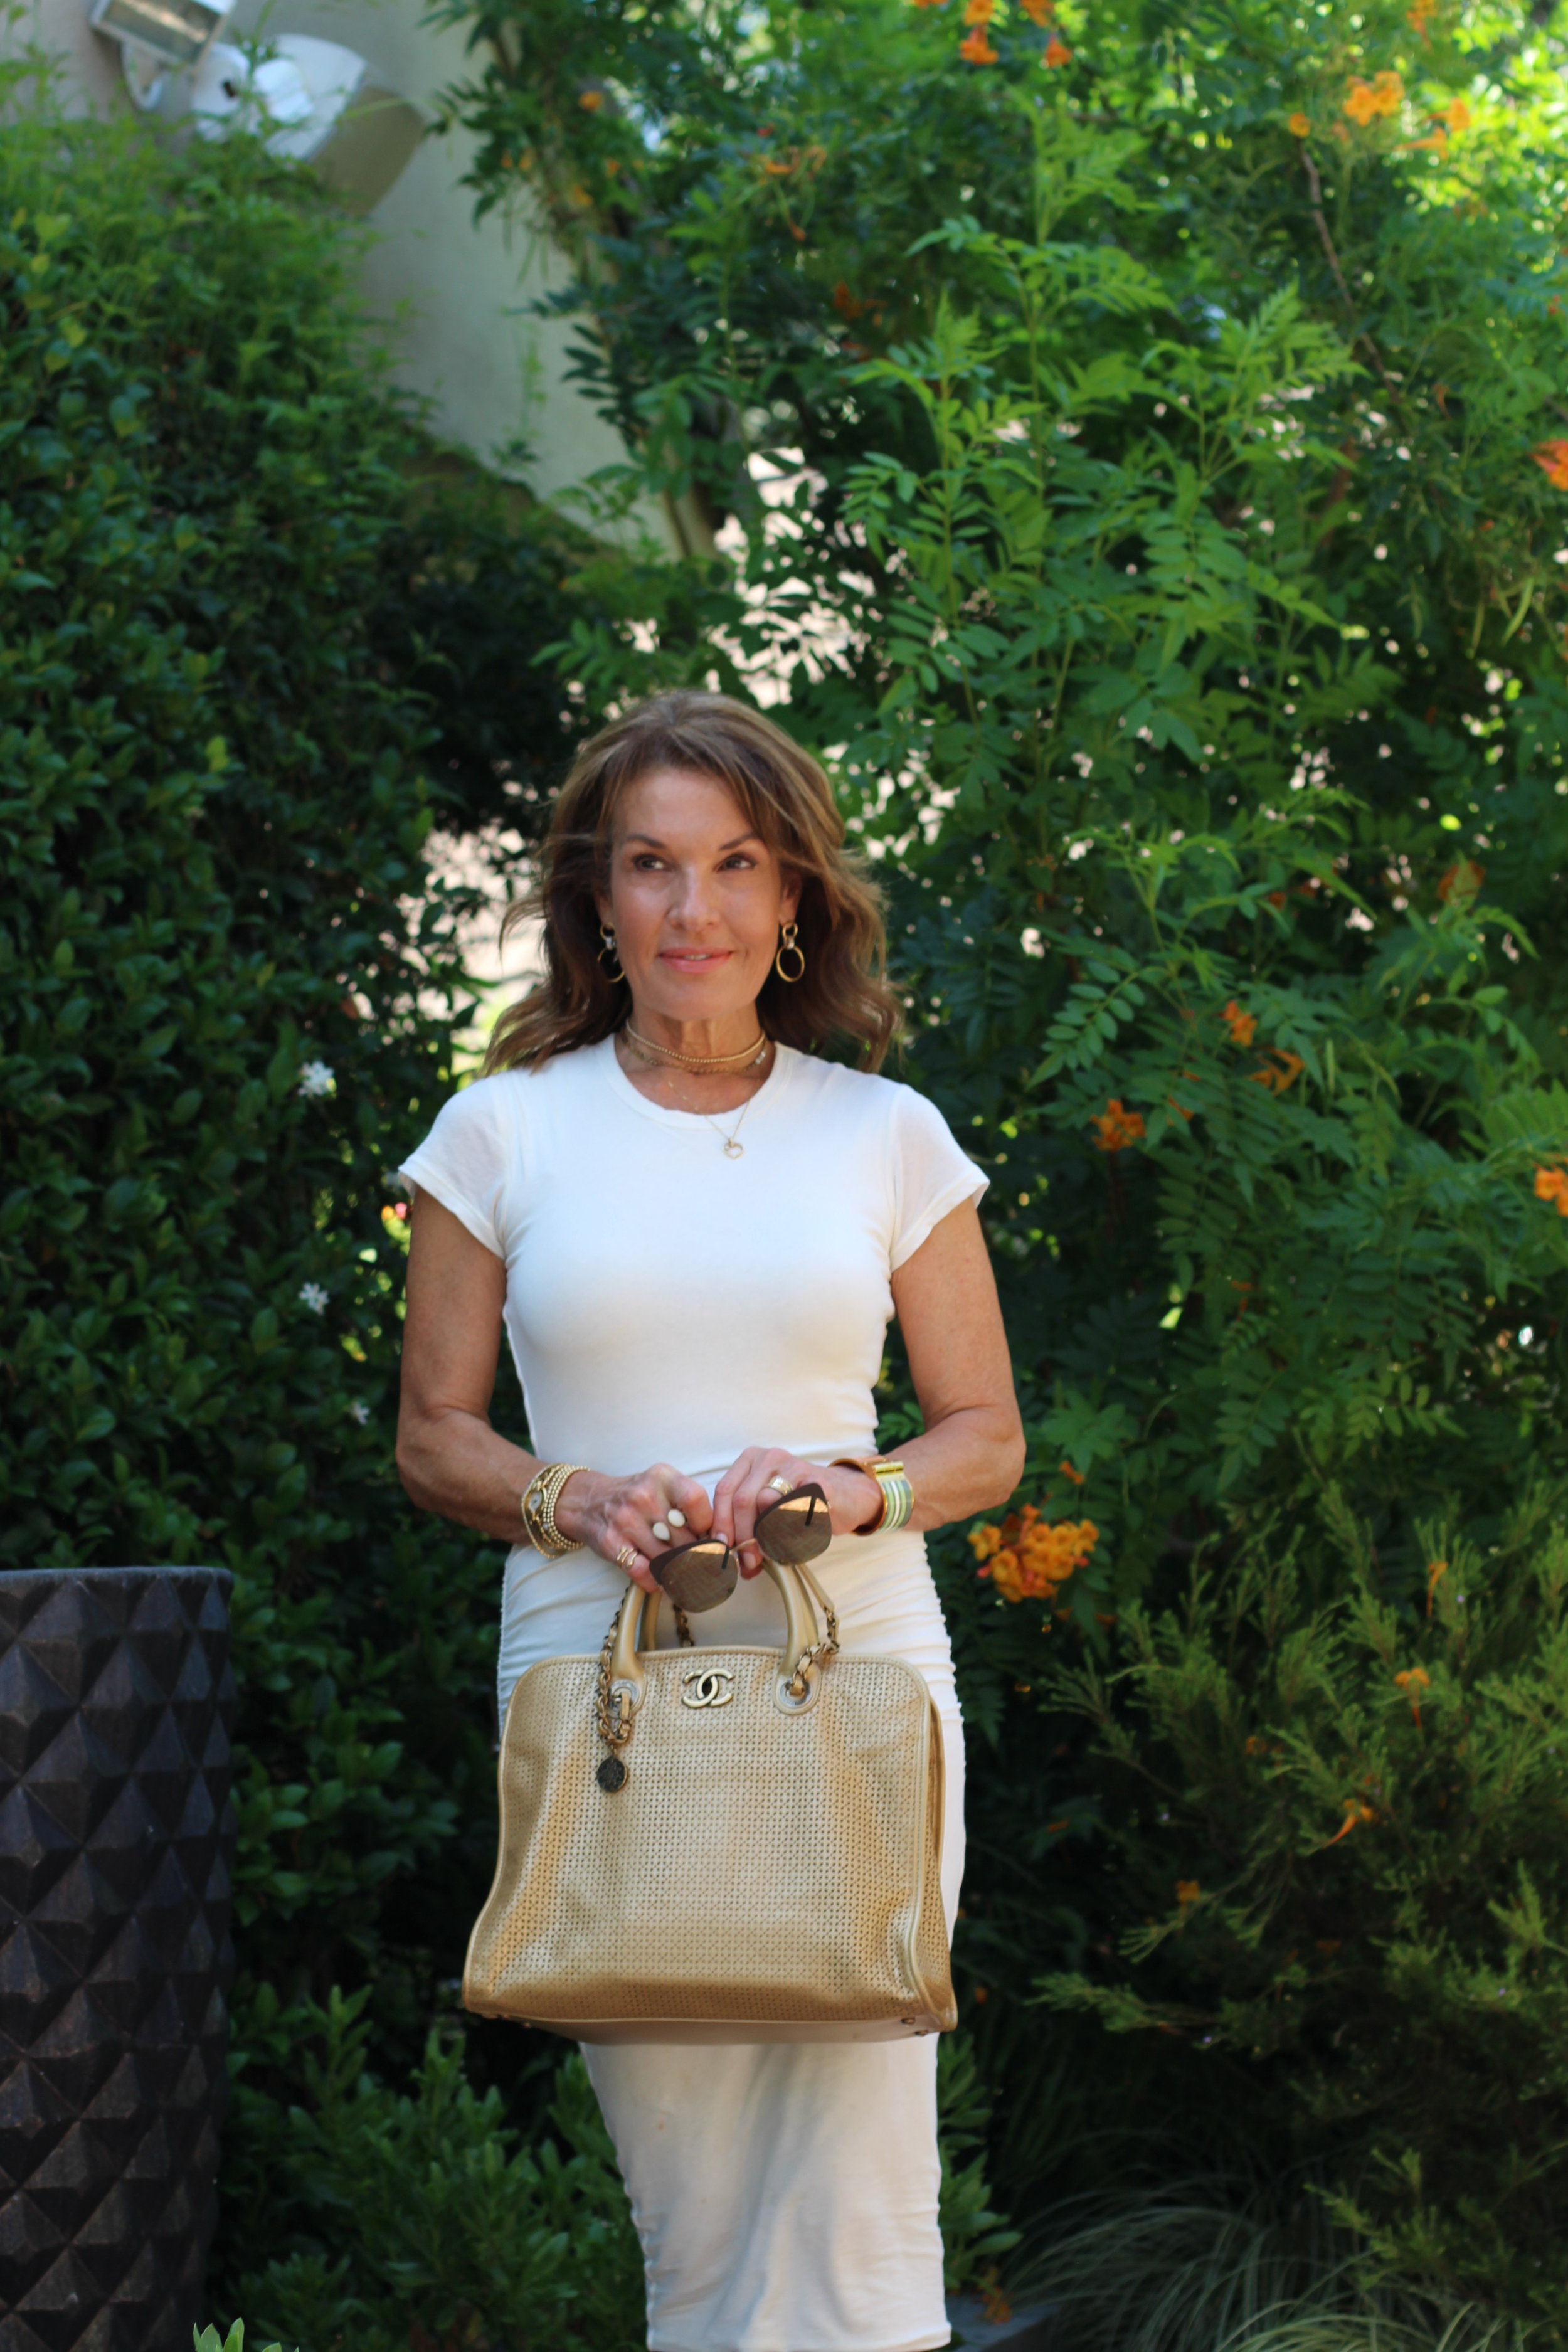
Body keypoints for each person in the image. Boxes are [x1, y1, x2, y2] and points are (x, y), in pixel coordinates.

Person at [395, 689, 1024, 2352]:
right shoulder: (502, 1131)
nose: (695, 909)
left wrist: (850, 1484)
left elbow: (984, 1441)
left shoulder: (885, 1137)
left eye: (738, 864)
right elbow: (431, 1437)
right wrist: (570, 1491)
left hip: (857, 1679)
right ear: (596, 897)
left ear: (795, 893)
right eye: (654, 866)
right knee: (690, 2206)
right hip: (603, 1691)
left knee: (858, 2181)